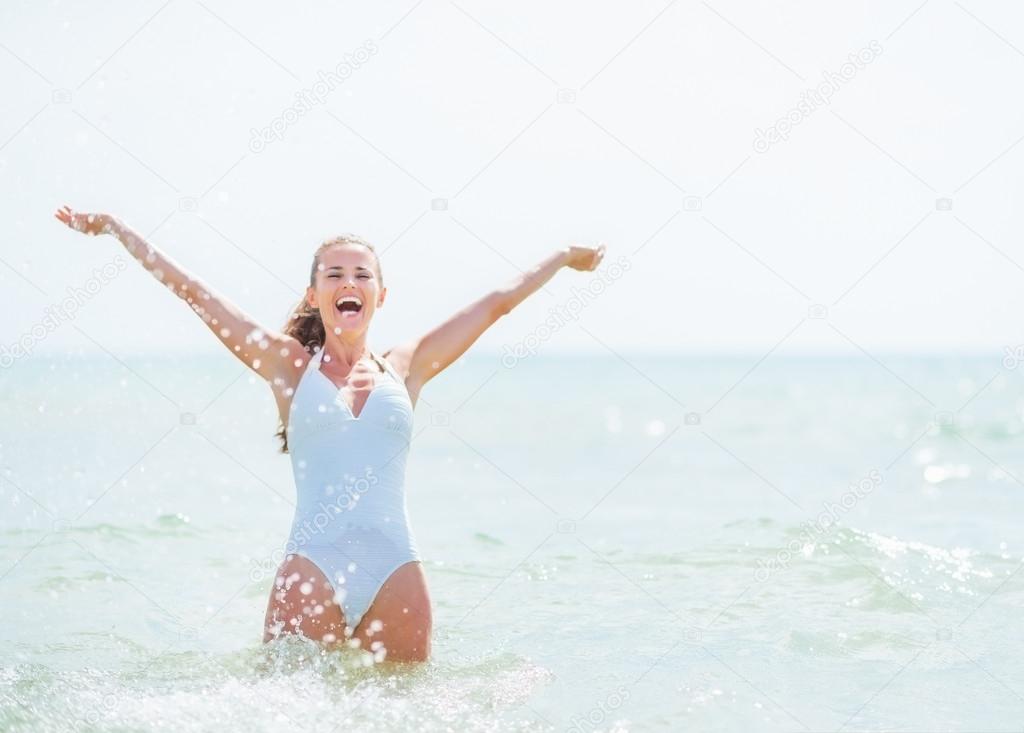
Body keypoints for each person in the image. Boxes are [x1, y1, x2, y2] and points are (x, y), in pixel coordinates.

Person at [55, 205, 606, 662]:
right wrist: (117, 229)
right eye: (335, 275)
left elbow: (496, 305)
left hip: (398, 569)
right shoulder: (288, 366)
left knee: (407, 717)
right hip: (312, 564)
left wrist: (561, 258)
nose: (349, 283)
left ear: (381, 296)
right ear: (315, 295)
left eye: (363, 275)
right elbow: (195, 293)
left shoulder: (406, 366)